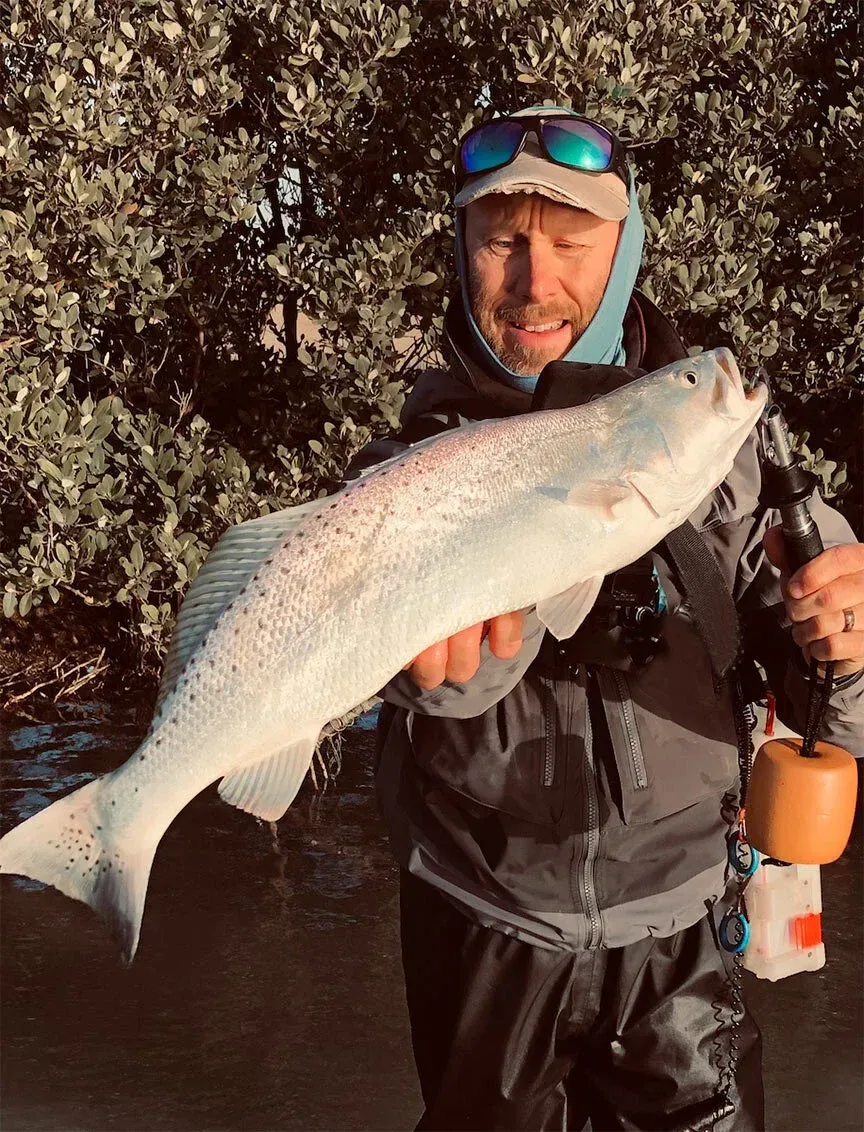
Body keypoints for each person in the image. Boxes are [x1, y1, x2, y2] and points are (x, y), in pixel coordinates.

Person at [343, 106, 864, 1131]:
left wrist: (846, 650)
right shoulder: (405, 477)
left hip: (684, 938)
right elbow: (427, 693)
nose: (535, 280)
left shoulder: (722, 449)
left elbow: (837, 719)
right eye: (503, 240)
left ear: (624, 251)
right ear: (460, 250)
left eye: (573, 242)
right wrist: (445, 666)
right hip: (483, 925)